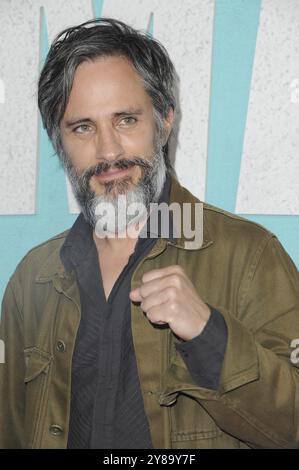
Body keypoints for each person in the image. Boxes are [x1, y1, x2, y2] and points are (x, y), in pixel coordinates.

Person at [0, 18, 299, 450]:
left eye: (125, 120)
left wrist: (209, 335)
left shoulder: (250, 255)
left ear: (164, 121)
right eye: (82, 127)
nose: (108, 151)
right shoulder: (33, 277)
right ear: (59, 141)